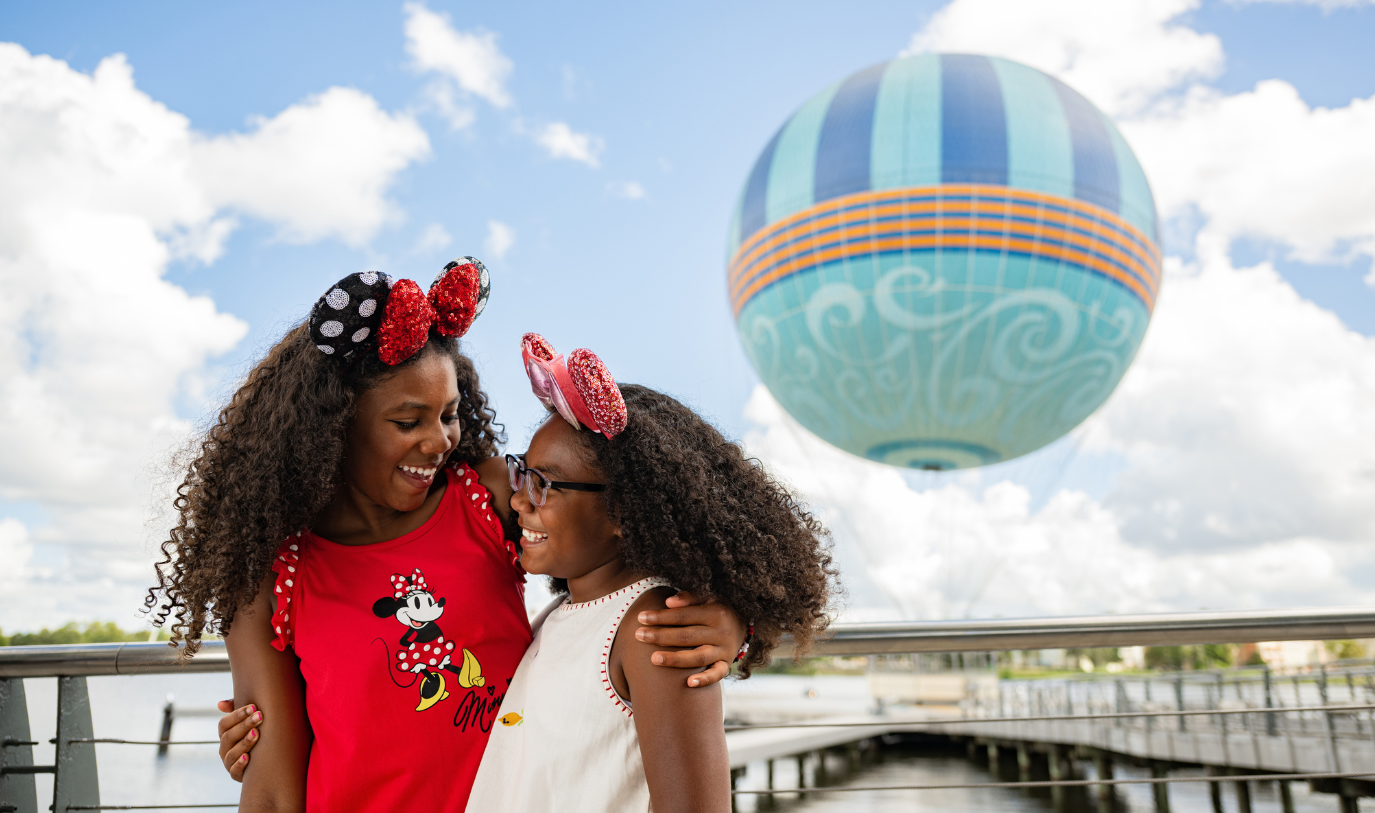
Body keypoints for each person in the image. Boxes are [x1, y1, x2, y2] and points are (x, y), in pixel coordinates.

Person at [145, 261, 746, 812]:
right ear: (331, 426)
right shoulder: (270, 576)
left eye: (449, 414)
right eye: (408, 421)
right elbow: (274, 789)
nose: (440, 441)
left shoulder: (487, 495)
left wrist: (730, 617)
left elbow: (633, 513)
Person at [462, 334, 837, 811]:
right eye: (524, 474)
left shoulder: (656, 632)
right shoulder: (563, 613)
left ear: (623, 510)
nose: (518, 501)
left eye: (545, 484)